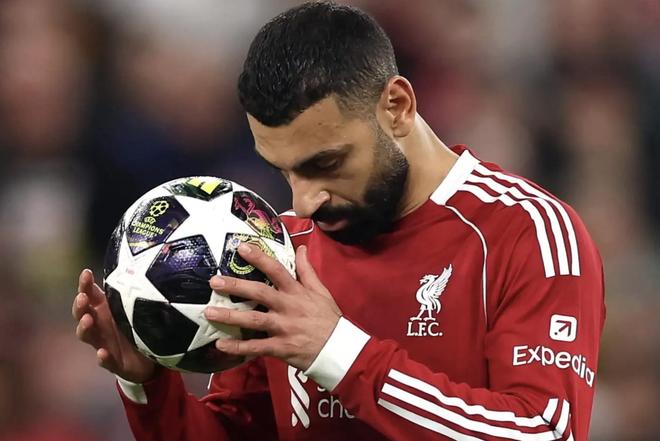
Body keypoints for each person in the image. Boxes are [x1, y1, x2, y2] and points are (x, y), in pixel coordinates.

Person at [72, 2, 605, 440]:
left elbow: (544, 432)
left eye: (325, 163)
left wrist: (337, 353)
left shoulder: (528, 232)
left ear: (396, 106)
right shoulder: (280, 249)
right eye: (283, 171)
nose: (304, 204)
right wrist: (147, 386)